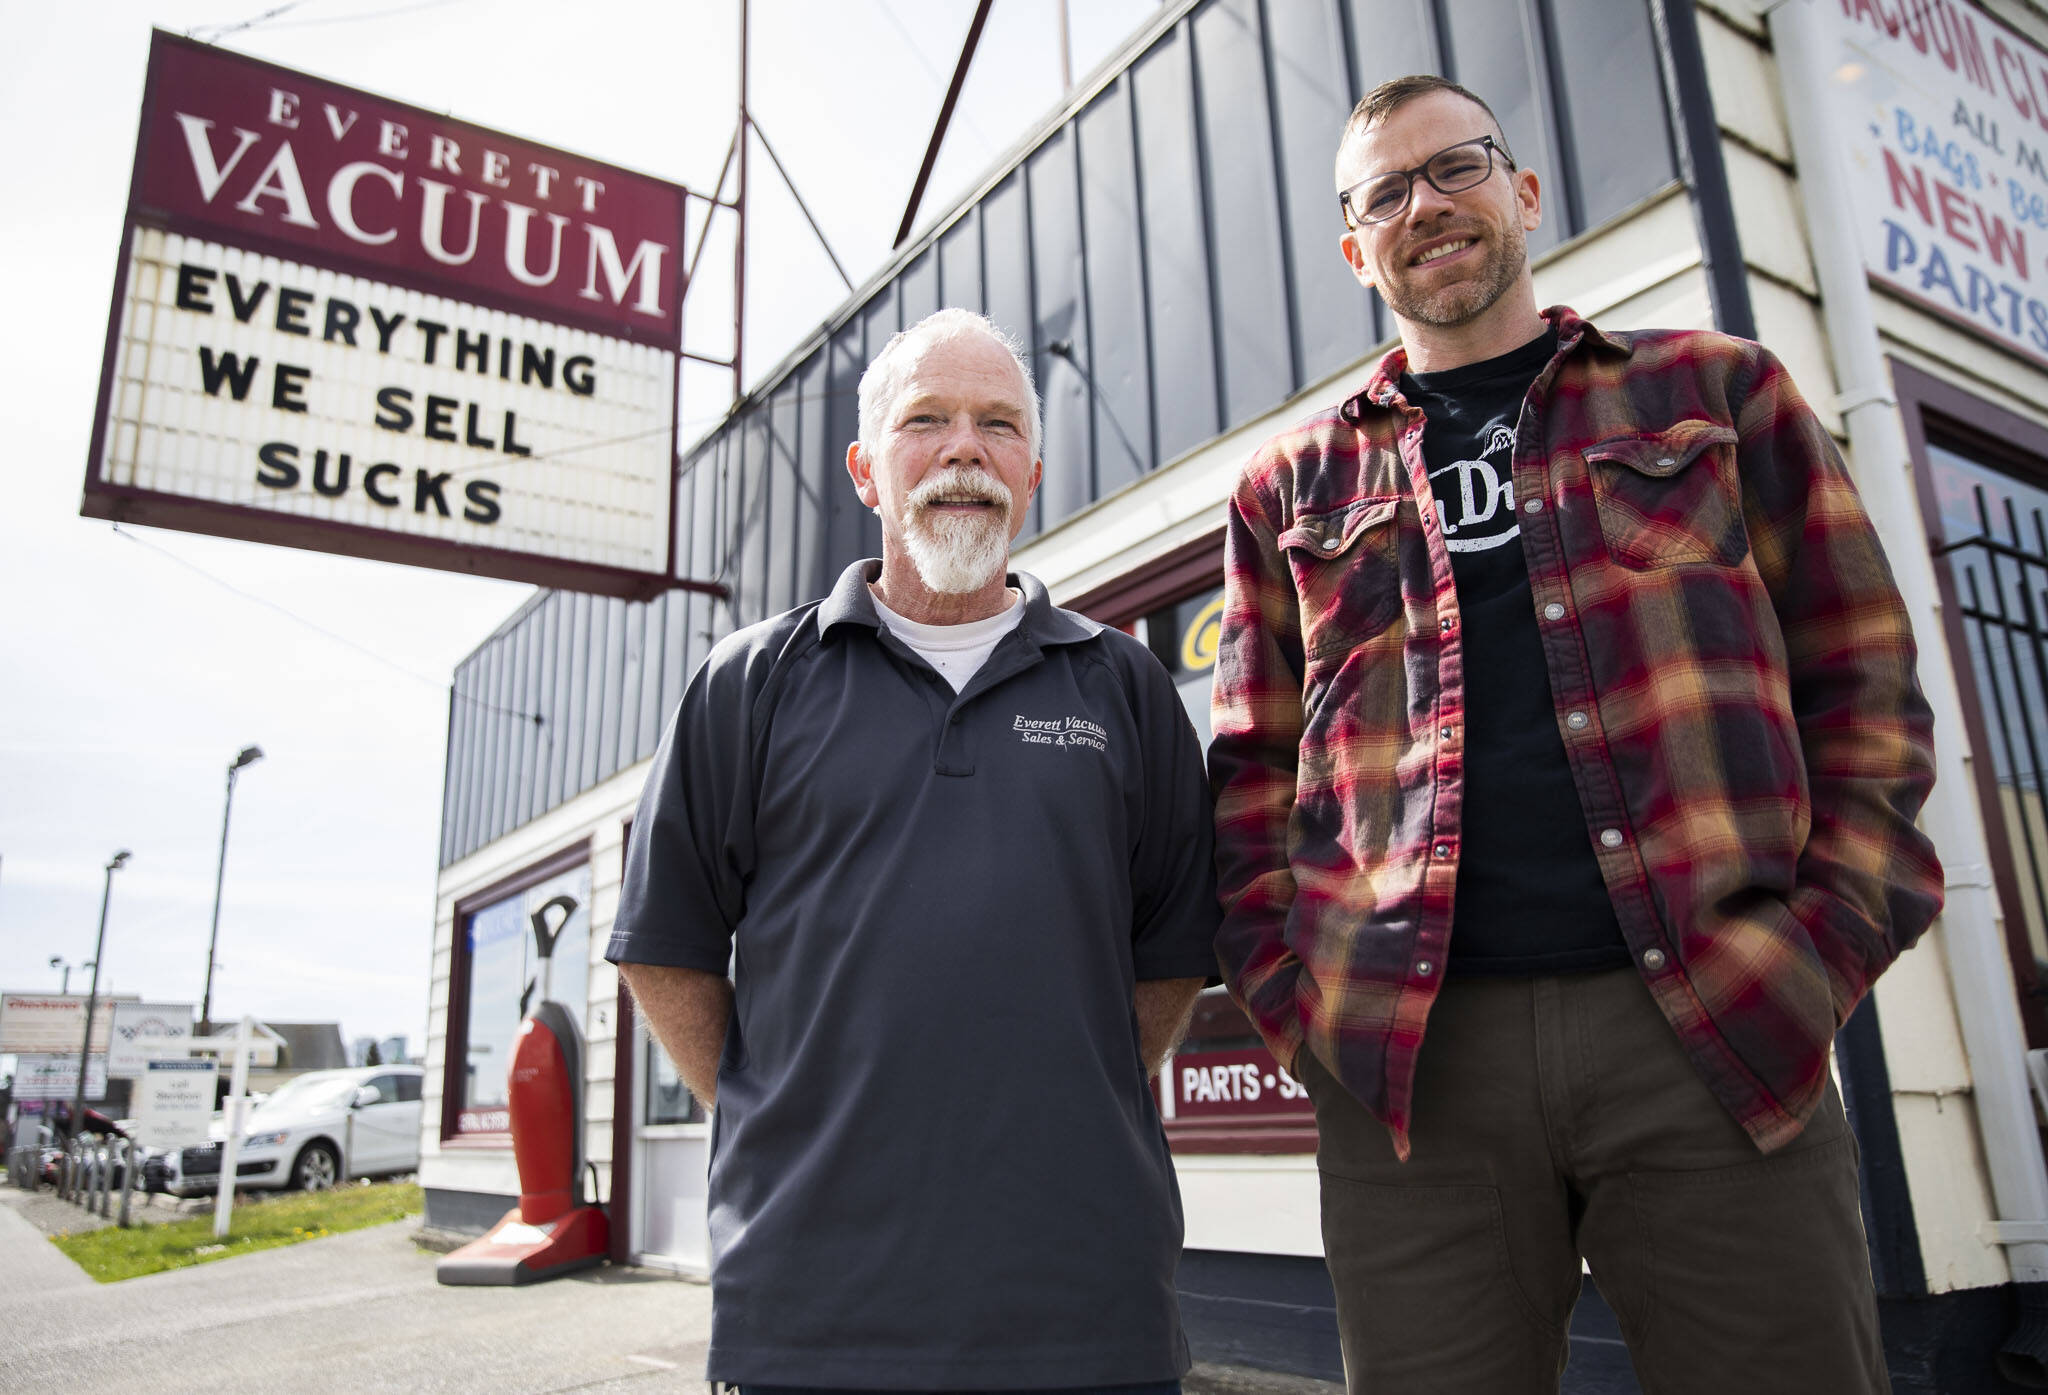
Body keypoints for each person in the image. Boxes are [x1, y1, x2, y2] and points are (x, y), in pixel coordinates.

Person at [1208, 74, 1943, 1394]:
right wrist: (1302, 1010)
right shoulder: (1287, 492)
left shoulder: (1718, 395)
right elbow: (1252, 784)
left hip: (1712, 1022)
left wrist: (1812, 957)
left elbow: (1866, 686)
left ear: (1525, 191)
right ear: (1352, 250)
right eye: (1386, 193)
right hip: (1412, 1071)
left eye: (1457, 167)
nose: (1426, 206)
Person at [608, 308, 1218, 1393]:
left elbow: (1168, 957)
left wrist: (1065, 1093)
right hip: (812, 1308)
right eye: (924, 421)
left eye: (996, 425)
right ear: (865, 469)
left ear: (1031, 468)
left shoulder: (1121, 686)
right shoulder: (750, 683)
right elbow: (665, 946)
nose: (962, 451)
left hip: (1086, 1304)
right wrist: (779, 1107)